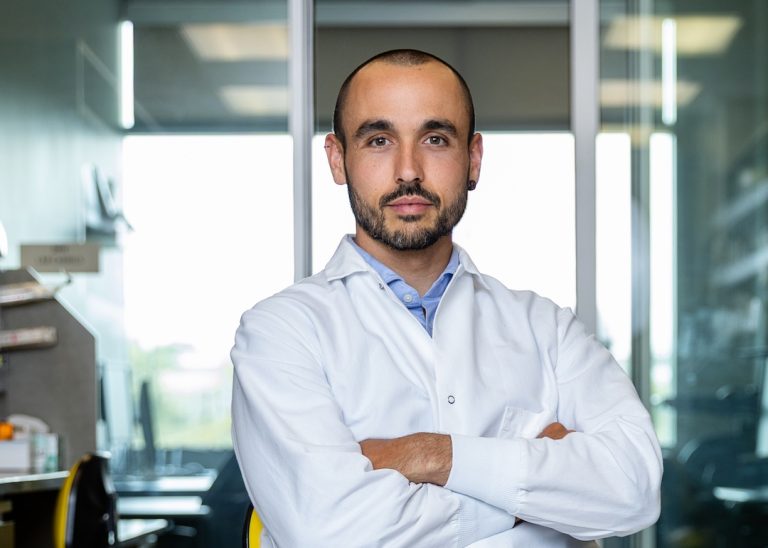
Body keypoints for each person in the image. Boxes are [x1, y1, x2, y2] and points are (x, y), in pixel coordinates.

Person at [231, 49, 662, 547]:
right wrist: (535, 495)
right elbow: (330, 531)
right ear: (337, 158)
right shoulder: (280, 332)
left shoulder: (547, 328)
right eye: (378, 140)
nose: (408, 170)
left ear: (473, 159)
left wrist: (431, 454)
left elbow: (634, 486)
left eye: (435, 139)